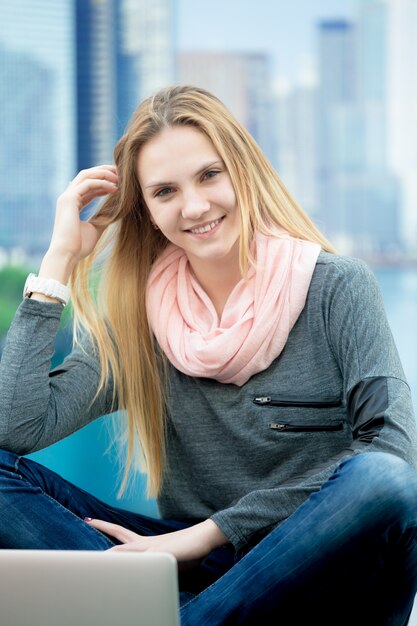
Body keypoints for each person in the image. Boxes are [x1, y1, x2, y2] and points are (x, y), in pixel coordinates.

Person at [0, 84, 417, 626]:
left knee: (382, 478)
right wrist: (58, 262)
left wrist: (203, 537)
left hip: (322, 570)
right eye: (165, 191)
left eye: (208, 175)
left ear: (241, 171)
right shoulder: (140, 319)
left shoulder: (337, 289)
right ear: (146, 211)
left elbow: (394, 451)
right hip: (193, 574)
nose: (194, 206)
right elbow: (15, 427)